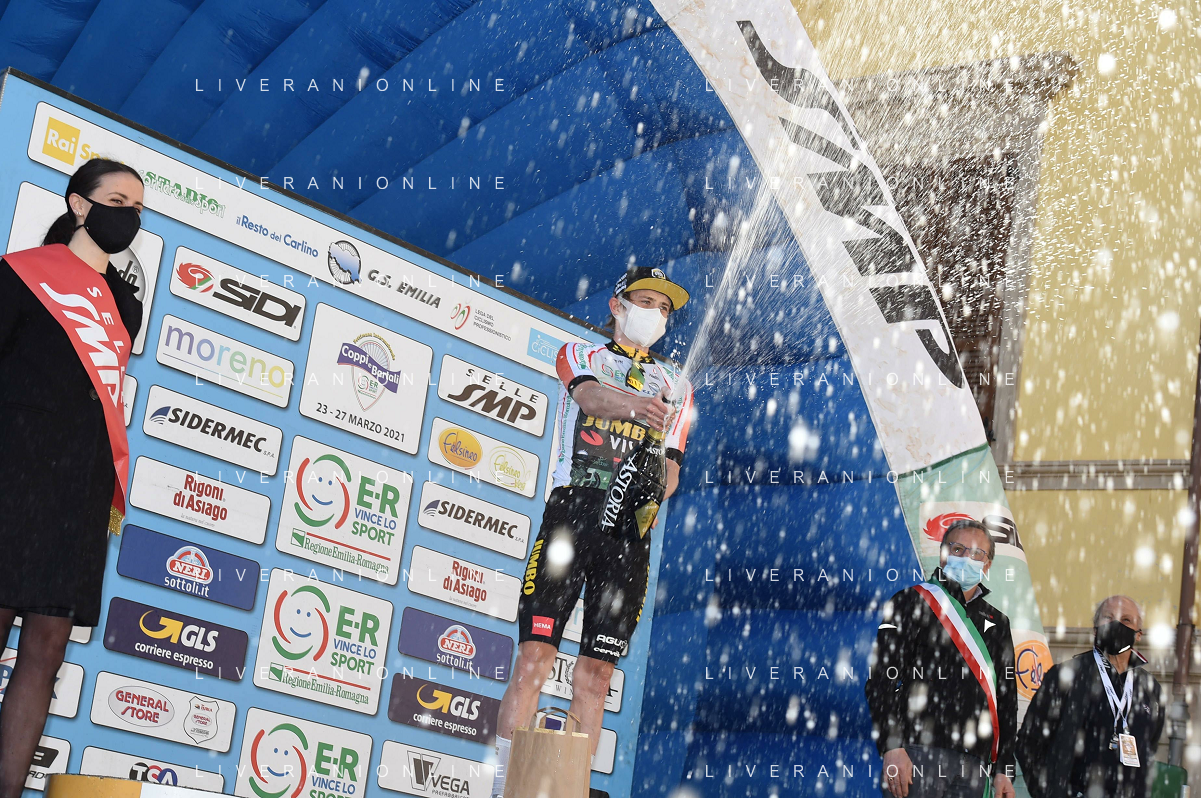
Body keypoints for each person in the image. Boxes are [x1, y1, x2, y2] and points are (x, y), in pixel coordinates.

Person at [490, 266, 693, 798]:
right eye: (645, 302)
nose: (655, 314)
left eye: (664, 309)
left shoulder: (678, 384)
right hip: (572, 516)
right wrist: (639, 409)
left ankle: (568, 788)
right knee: (534, 658)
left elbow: (673, 469)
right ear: (616, 305)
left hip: (627, 533)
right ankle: (505, 785)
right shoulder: (580, 353)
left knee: (597, 675)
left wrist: (653, 491)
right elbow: (590, 399)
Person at [0, 158, 144, 798]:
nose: (128, 217)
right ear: (79, 205)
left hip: (79, 489)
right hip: (15, 473)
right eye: (117, 202)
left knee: (47, 648)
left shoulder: (126, 305)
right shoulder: (20, 274)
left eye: (137, 209)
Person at [865, 519, 1018, 798]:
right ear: (943, 554)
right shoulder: (910, 601)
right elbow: (880, 680)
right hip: (916, 754)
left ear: (987, 565)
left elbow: (1006, 701)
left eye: (977, 553)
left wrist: (1004, 770)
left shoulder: (998, 623)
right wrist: (892, 746)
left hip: (975, 763)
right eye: (958, 549)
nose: (967, 558)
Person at [1016, 595, 1165, 798]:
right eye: (1108, 617)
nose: (1116, 625)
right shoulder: (1065, 676)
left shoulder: (1150, 689)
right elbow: (1029, 742)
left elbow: (1149, 747)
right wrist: (1050, 793)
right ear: (1095, 629)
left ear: (1138, 634)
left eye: (1126, 620)